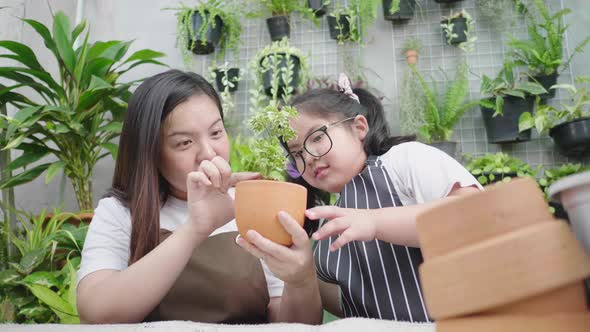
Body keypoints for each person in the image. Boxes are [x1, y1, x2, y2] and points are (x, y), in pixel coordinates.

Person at [76, 69, 322, 324]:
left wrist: (301, 281)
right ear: (150, 153)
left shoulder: (252, 205)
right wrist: (196, 228)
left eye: (216, 133)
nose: (208, 152)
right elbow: (96, 313)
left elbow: (293, 324)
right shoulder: (119, 212)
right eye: (184, 142)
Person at [276, 73, 482, 322]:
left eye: (317, 137)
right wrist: (299, 279)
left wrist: (374, 223)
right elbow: (311, 321)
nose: (307, 158)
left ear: (359, 127)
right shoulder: (324, 230)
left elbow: (473, 214)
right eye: (296, 153)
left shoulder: (404, 161)